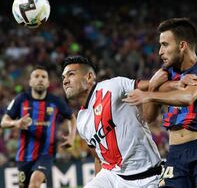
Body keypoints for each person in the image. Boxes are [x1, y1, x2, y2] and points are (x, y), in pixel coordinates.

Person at [123, 17, 197, 188]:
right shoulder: (165, 73)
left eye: (165, 44)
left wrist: (149, 94)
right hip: (176, 154)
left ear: (182, 45)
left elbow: (187, 98)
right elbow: (149, 117)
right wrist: (154, 86)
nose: (160, 51)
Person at [61, 55, 163, 188]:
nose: (65, 81)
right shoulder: (81, 120)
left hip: (147, 175)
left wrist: (179, 82)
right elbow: (99, 158)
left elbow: (151, 85)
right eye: (63, 77)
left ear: (89, 77)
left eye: (71, 74)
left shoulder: (112, 86)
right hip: (114, 176)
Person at [0, 66, 77, 188]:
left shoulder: (55, 101)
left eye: (43, 77)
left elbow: (71, 117)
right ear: (30, 82)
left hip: (47, 153)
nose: (40, 79)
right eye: (36, 76)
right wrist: (16, 123)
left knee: (35, 183)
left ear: (48, 83)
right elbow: (4, 122)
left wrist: (72, 136)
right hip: (24, 155)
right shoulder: (21, 99)